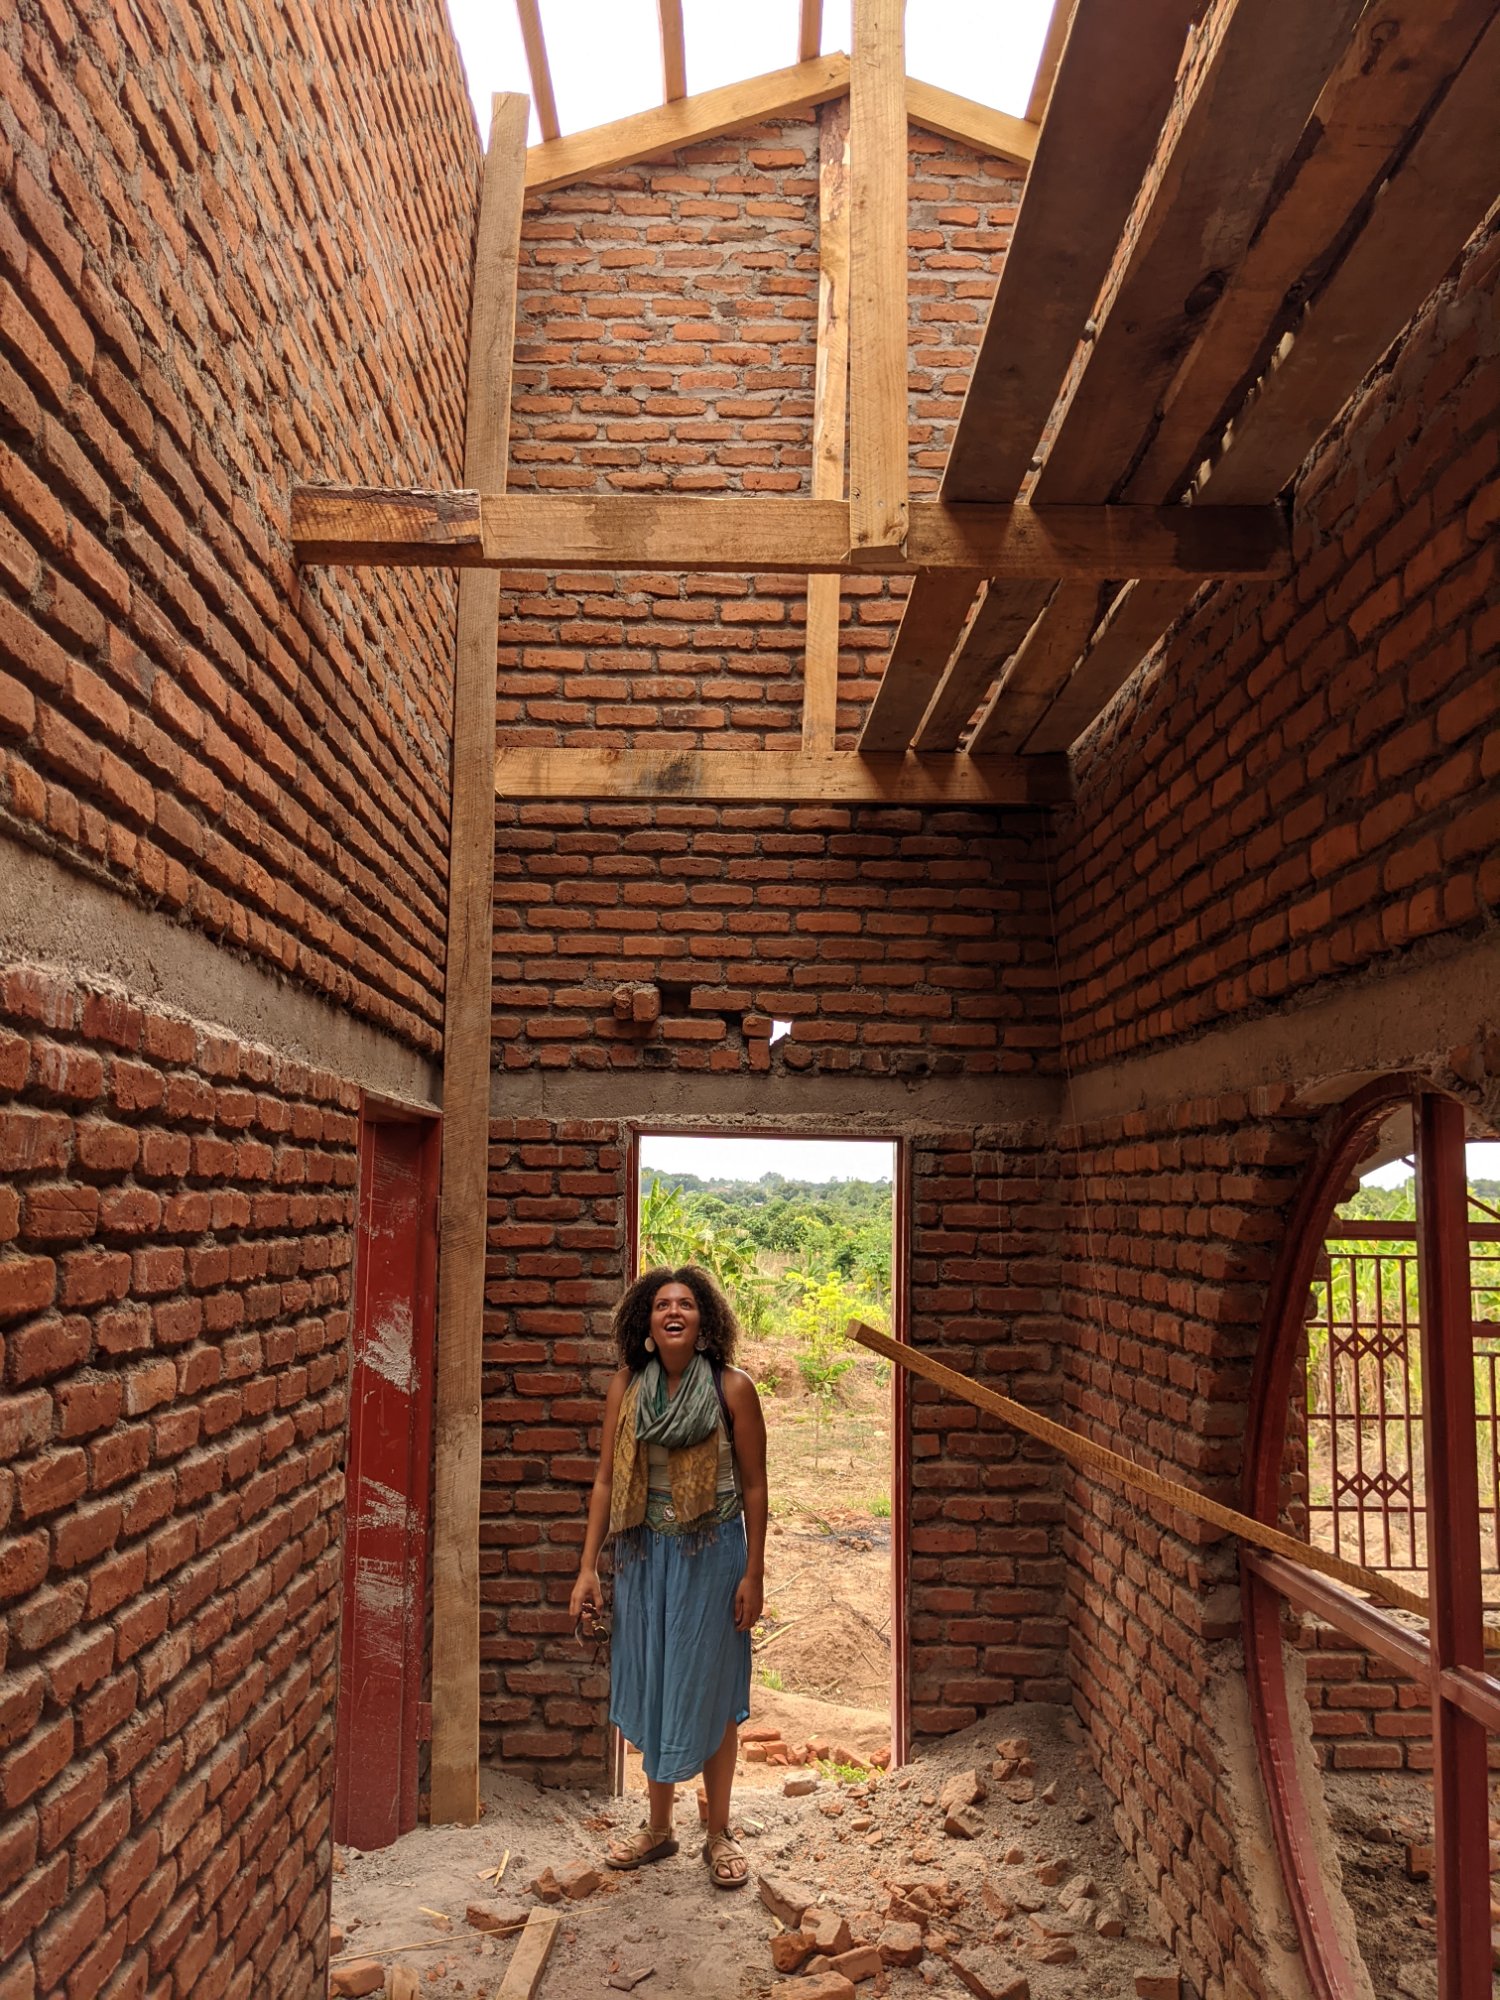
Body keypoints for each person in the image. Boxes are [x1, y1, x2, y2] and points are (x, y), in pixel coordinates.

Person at [569, 1264, 767, 1889]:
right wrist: (587, 1568)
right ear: (647, 1325)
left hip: (712, 1556)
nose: (673, 1311)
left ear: (704, 1321)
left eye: (685, 1303)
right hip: (644, 1555)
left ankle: (719, 1832)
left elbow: (756, 1488)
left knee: (711, 1687)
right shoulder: (626, 1387)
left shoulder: (733, 1389)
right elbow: (606, 1481)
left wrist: (755, 1573)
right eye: (661, 1305)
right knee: (655, 1678)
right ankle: (659, 1829)